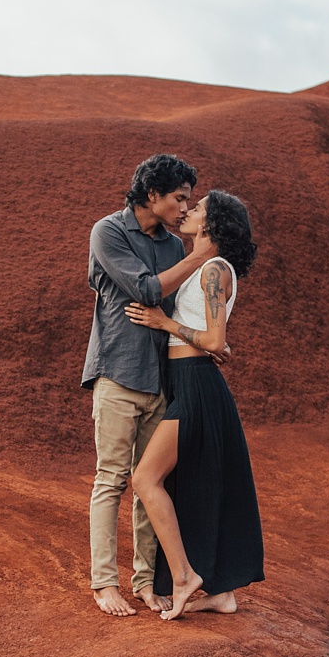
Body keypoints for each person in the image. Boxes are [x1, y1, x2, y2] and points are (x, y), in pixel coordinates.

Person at [81, 154, 216, 617]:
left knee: (148, 483)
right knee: (111, 480)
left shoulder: (174, 247)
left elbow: (179, 307)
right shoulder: (109, 232)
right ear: (152, 195)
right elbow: (145, 290)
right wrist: (200, 255)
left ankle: (143, 582)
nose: (185, 208)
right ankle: (104, 583)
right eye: (179, 198)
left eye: (189, 200)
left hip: (160, 379)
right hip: (118, 373)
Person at [126, 190, 264, 621]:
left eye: (198, 208)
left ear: (212, 223)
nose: (188, 212)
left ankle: (185, 577)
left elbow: (215, 341)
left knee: (146, 479)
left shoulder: (213, 270)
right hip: (190, 381)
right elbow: (215, 341)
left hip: (196, 385)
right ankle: (221, 594)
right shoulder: (206, 269)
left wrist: (164, 322)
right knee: (192, 484)